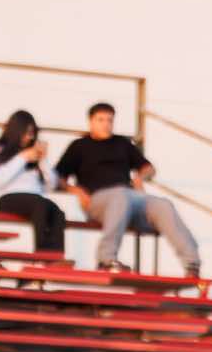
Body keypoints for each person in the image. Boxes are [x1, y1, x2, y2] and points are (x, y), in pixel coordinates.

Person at [53, 102, 201, 278]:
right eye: (101, 120)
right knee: (120, 196)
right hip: (98, 200)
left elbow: (149, 168)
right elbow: (56, 177)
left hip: (129, 198)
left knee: (163, 205)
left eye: (109, 120)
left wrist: (140, 178)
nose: (106, 124)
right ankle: (106, 260)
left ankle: (192, 263)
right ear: (91, 122)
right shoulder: (79, 146)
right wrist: (75, 190)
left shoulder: (122, 143)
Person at [0, 109, 66, 255]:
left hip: (35, 199)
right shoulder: (1, 151)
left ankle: (56, 256)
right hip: (8, 198)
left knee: (57, 212)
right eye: (26, 133)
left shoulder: (35, 157)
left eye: (32, 133)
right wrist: (22, 158)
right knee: (40, 205)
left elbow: (51, 185)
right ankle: (42, 253)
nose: (29, 137)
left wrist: (43, 161)